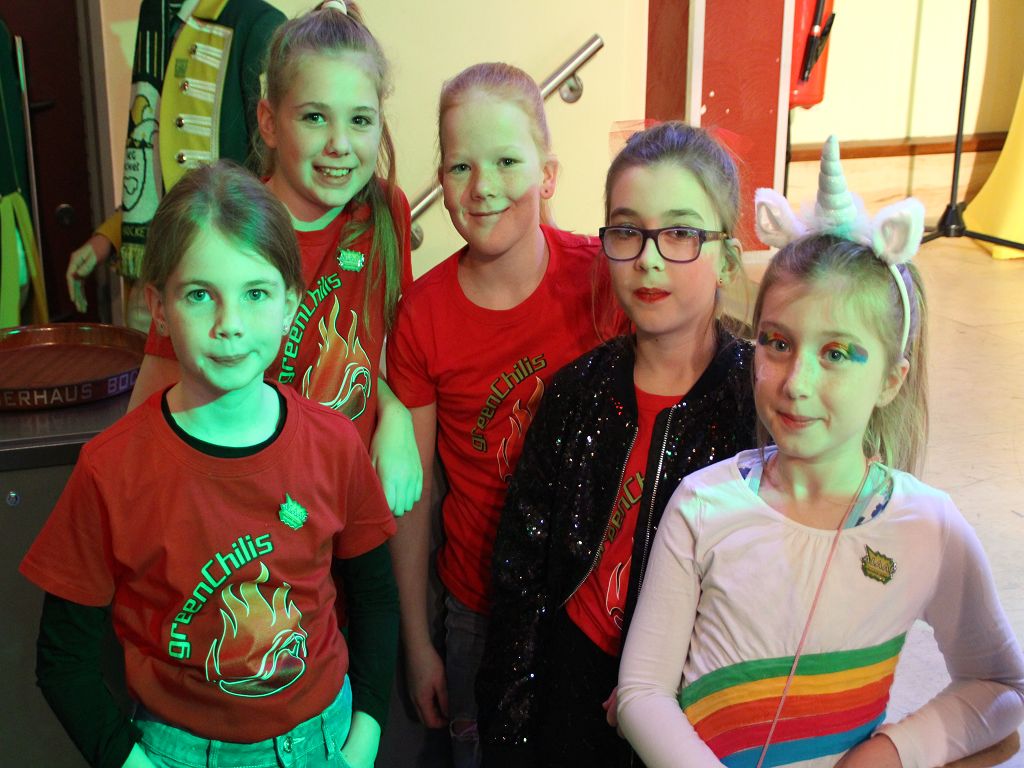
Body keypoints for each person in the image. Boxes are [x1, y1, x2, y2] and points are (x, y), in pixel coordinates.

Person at [617, 136, 1024, 768]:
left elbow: (1002, 687)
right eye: (778, 343)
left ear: (891, 380)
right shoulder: (702, 506)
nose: (797, 382)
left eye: (836, 353)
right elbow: (642, 693)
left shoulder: (928, 527)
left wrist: (894, 751)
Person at [20, 161, 399, 768]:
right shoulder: (110, 469)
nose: (230, 326)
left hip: (326, 741)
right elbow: (63, 659)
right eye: (200, 295)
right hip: (177, 750)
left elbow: (375, 596)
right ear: (159, 307)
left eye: (256, 294)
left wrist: (365, 736)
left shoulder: (333, 444)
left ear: (289, 305)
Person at [473, 121, 757, 767]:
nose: (649, 259)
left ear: (728, 258)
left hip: (693, 708)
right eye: (628, 232)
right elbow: (521, 578)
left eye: (680, 233)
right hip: (572, 687)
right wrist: (510, 730)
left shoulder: (758, 402)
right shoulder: (576, 392)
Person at [385, 62, 627, 766]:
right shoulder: (424, 314)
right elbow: (413, 498)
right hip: (477, 612)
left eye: (506, 162)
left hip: (594, 605)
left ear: (547, 175)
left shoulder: (603, 279)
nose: (482, 187)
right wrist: (417, 641)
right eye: (460, 166)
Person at [127, 0, 420, 517]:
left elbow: (367, 354)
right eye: (314, 117)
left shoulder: (384, 212)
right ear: (268, 121)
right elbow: (153, 405)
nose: (339, 144)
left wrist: (394, 412)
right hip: (247, 512)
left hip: (343, 502)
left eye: (359, 120)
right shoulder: (222, 230)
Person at [65, 0, 285, 330]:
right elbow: (158, 160)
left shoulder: (256, 23)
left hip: (220, 283)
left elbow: (269, 172)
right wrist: (109, 237)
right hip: (157, 269)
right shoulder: (157, 23)